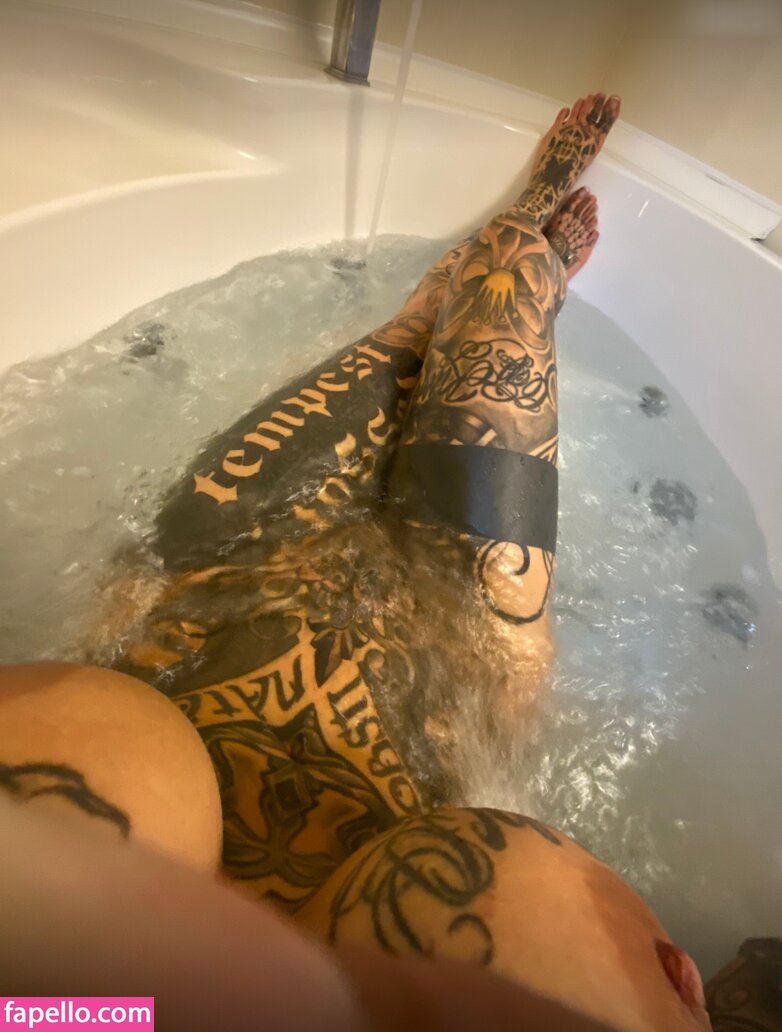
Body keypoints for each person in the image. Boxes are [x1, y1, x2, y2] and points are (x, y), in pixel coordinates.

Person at [0, 94, 713, 1031]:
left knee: (448, 305)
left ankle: (424, 309)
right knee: (511, 268)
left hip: (219, 570)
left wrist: (84, 1013)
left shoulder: (69, 1005)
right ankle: (497, 271)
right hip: (470, 642)